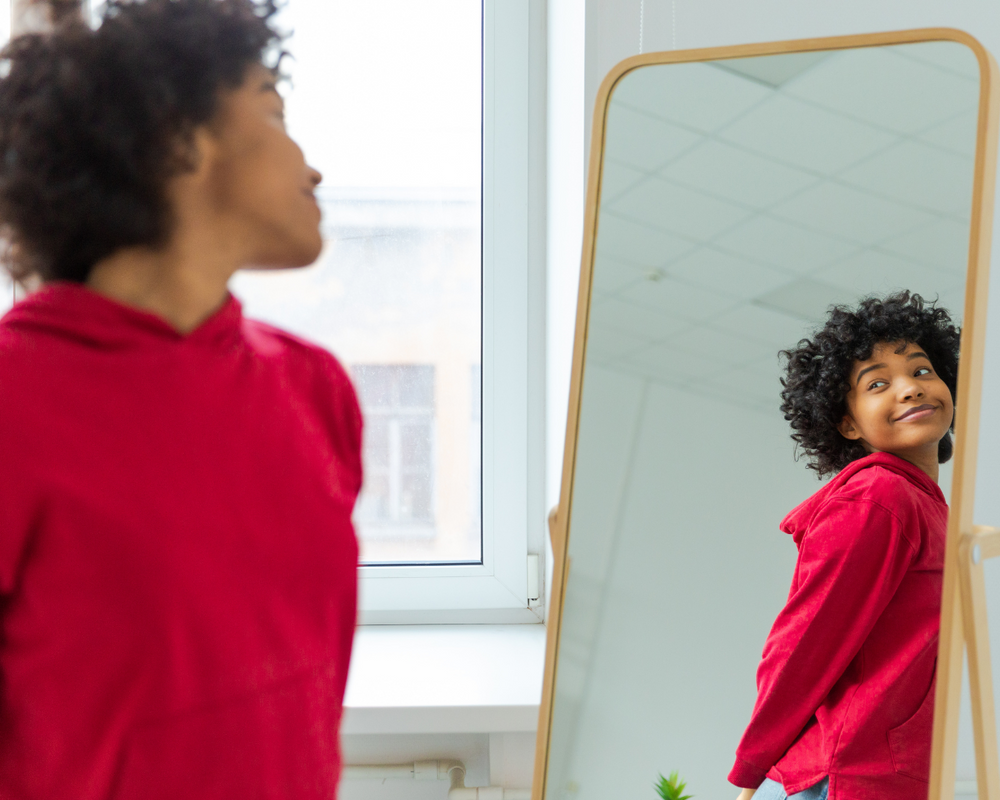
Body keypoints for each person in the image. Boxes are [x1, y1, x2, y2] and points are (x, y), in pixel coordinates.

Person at [0, 0, 362, 797]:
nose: (312, 166)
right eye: (273, 112)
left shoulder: (314, 389)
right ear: (178, 139)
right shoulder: (13, 400)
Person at [729, 291, 960, 800]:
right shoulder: (881, 497)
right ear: (849, 424)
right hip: (842, 779)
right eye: (878, 384)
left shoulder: (932, 510)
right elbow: (806, 640)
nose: (910, 390)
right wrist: (751, 768)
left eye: (922, 371)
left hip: (888, 777)